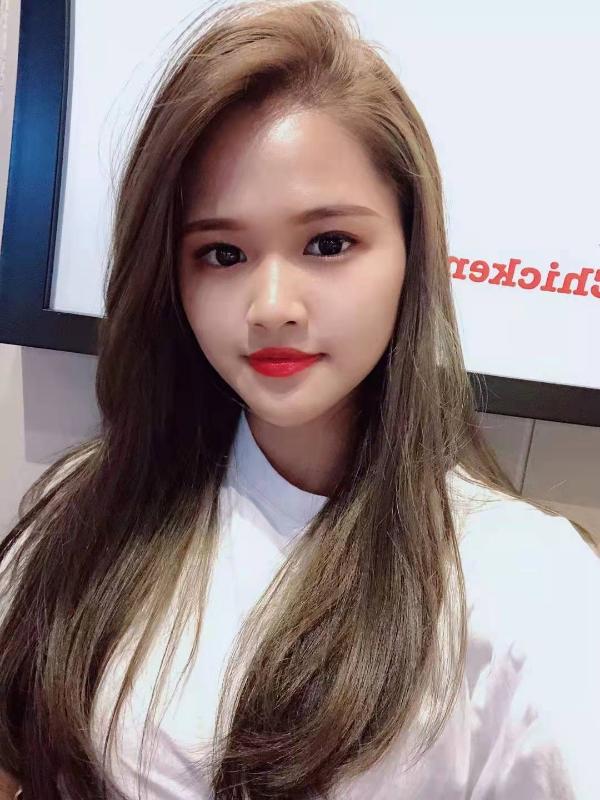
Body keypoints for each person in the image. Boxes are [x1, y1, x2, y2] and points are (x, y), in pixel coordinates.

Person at [1, 0, 599, 798]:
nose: (272, 306)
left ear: (411, 252)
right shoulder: (91, 506)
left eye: (328, 244)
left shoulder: (526, 584)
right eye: (222, 253)